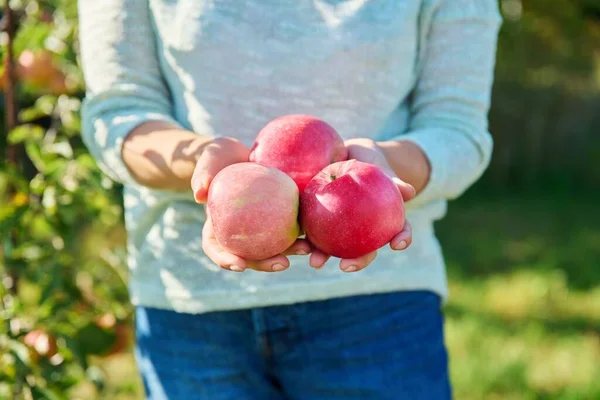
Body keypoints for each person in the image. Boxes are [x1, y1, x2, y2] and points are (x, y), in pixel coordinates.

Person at [78, 0, 501, 398]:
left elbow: (457, 131)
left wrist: (377, 177)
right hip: (191, 306)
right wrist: (205, 168)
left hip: (378, 306)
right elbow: (118, 114)